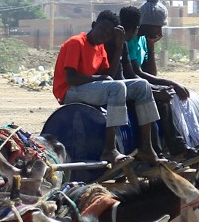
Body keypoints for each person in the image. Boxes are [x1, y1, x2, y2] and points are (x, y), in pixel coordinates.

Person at [53, 9, 161, 164]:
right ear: (93, 25)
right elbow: (71, 78)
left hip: (86, 87)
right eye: (102, 29)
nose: (104, 34)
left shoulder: (101, 48)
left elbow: (109, 73)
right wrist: (99, 78)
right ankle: (109, 149)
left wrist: (118, 47)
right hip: (68, 90)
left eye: (109, 33)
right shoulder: (77, 42)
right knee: (117, 88)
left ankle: (146, 147)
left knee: (142, 86)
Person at [123, 2, 199, 158]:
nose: (160, 32)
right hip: (135, 84)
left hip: (143, 82)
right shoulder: (130, 40)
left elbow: (150, 72)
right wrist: (171, 83)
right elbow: (137, 73)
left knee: (181, 95)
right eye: (156, 27)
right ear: (144, 25)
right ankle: (181, 145)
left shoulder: (143, 40)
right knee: (170, 96)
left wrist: (151, 48)